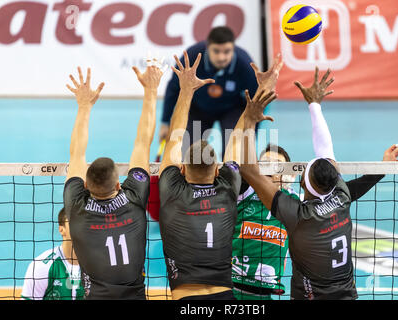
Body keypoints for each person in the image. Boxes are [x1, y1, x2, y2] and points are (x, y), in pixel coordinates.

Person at [239, 67, 398, 300]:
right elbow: (329, 153)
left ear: (305, 185)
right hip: (346, 295)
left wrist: (248, 119)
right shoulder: (341, 195)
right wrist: (382, 168)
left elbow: (248, 169)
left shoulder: (296, 214)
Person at [157, 51, 275, 300]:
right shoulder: (228, 185)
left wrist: (186, 90)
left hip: (186, 300)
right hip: (226, 297)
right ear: (217, 168)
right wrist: (260, 93)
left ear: (183, 168)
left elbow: (176, 135)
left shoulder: (171, 187)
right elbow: (237, 138)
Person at [63, 61, 163, 299]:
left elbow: (76, 153)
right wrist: (151, 91)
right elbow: (142, 143)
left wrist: (84, 106)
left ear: (85, 185)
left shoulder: (77, 205)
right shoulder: (134, 196)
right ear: (118, 184)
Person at [159, 26, 258, 157]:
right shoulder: (192, 57)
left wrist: (251, 133)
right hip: (198, 109)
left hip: (232, 110)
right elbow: (173, 89)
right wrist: (165, 123)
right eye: (216, 51)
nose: (221, 57)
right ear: (207, 48)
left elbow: (257, 103)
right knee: (187, 154)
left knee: (234, 154)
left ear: (233, 49)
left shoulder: (245, 64)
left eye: (227, 51)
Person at [232, 143, 298, 300]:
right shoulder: (243, 191)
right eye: (265, 163)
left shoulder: (294, 202)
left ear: (285, 174)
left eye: (276, 165)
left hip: (265, 295)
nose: (269, 168)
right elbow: (241, 161)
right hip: (230, 289)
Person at [21, 208, 84, 300]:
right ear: (62, 230)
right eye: (74, 222)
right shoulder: (41, 265)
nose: (80, 227)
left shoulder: (98, 265)